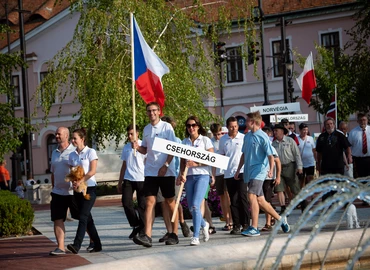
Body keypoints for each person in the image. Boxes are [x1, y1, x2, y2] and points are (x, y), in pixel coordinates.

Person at [235, 111, 290, 237]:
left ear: (253, 122)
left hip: (259, 171)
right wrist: (238, 170)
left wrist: (270, 170)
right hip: (249, 171)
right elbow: (244, 155)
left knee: (251, 196)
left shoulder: (263, 136)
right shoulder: (247, 136)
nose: (244, 122)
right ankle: (281, 219)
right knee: (260, 200)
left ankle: (254, 227)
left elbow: (270, 155)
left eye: (247, 120)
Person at [132, 102, 178, 247]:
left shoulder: (166, 127)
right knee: (149, 202)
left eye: (154, 110)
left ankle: (174, 233)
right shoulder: (146, 129)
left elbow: (173, 148)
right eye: (149, 111)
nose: (151, 113)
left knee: (170, 202)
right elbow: (146, 150)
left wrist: (165, 165)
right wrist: (137, 147)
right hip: (150, 171)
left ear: (159, 112)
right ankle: (147, 235)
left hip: (166, 171)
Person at [177, 116, 214, 246]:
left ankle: (196, 236)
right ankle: (204, 224)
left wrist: (196, 163)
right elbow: (182, 161)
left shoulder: (205, 140)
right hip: (189, 177)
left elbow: (211, 158)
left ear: (198, 126)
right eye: (188, 126)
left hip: (202, 175)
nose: (191, 128)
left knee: (195, 205)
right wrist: (181, 174)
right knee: (192, 209)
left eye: (193, 125)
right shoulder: (184, 142)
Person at [67, 128, 102, 254]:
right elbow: (72, 172)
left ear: (82, 139)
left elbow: (92, 171)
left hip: (89, 189)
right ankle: (97, 244)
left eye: (75, 138)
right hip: (78, 190)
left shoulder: (90, 152)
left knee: (83, 217)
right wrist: (74, 182)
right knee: (88, 219)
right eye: (72, 138)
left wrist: (82, 180)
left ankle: (76, 245)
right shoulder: (71, 155)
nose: (73, 140)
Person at [157, 116, 190, 242]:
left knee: (174, 202)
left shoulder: (177, 141)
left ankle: (181, 221)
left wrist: (181, 174)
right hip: (159, 175)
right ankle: (169, 231)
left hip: (173, 174)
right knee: (163, 203)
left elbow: (181, 159)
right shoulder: (158, 140)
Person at [49, 127, 79, 255]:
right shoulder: (54, 152)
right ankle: (60, 247)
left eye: (59, 134)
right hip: (58, 192)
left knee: (82, 217)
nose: (56, 136)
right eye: (56, 134)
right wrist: (53, 187)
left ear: (66, 136)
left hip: (72, 192)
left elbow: (78, 170)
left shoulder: (74, 151)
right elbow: (53, 172)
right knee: (57, 218)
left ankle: (94, 240)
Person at [218, 116, 249, 235]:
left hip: (241, 171)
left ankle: (246, 223)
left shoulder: (243, 138)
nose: (234, 128)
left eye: (235, 126)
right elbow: (221, 155)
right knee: (233, 200)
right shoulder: (223, 139)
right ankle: (236, 224)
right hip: (228, 173)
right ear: (227, 127)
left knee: (243, 197)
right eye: (231, 126)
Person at [117, 124, 146, 240]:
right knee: (126, 202)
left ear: (137, 134)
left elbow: (148, 160)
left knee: (142, 206)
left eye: (132, 134)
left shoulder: (144, 145)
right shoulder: (126, 147)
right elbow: (124, 165)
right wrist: (120, 181)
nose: (130, 136)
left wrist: (138, 148)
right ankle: (136, 224)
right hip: (129, 178)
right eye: (128, 134)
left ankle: (143, 232)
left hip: (142, 178)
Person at [316, 117, 352, 201]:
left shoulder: (340, 135)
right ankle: (326, 205)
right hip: (326, 166)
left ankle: (338, 202)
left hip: (338, 166)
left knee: (338, 185)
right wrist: (318, 164)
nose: (329, 126)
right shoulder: (321, 137)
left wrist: (349, 156)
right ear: (325, 126)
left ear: (334, 125)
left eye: (331, 124)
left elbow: (347, 147)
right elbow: (319, 152)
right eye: (327, 124)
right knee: (326, 186)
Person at [272, 123, 305, 214]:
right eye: (274, 131)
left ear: (282, 131)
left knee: (295, 188)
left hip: (290, 166)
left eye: (276, 131)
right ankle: (283, 207)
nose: (275, 132)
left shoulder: (290, 141)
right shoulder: (273, 144)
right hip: (278, 168)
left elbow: (297, 154)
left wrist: (299, 167)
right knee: (279, 188)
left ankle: (303, 204)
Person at [209, 123, 232, 231]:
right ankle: (226, 220)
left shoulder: (224, 140)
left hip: (226, 172)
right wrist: (212, 175)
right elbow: (212, 160)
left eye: (219, 134)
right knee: (222, 198)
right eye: (215, 134)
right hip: (218, 173)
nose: (217, 136)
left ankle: (231, 220)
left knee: (228, 197)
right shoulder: (211, 142)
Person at [261, 128, 281, 231]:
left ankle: (268, 223)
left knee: (267, 200)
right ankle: (273, 216)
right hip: (260, 177)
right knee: (261, 200)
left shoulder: (270, 146)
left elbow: (278, 162)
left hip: (268, 177)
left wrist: (277, 176)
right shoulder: (260, 145)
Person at [348, 113, 370, 178]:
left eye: (364, 120)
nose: (362, 122)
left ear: (367, 120)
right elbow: (349, 146)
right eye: (360, 120)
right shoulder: (353, 132)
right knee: (359, 180)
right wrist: (349, 156)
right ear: (357, 121)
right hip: (358, 160)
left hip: (369, 158)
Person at [297, 123, 317, 188]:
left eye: (306, 130)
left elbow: (314, 150)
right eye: (304, 130)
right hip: (300, 164)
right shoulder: (296, 139)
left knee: (310, 179)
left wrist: (316, 160)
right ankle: (302, 196)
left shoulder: (310, 138)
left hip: (310, 163)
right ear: (299, 130)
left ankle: (312, 196)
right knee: (301, 180)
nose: (305, 131)